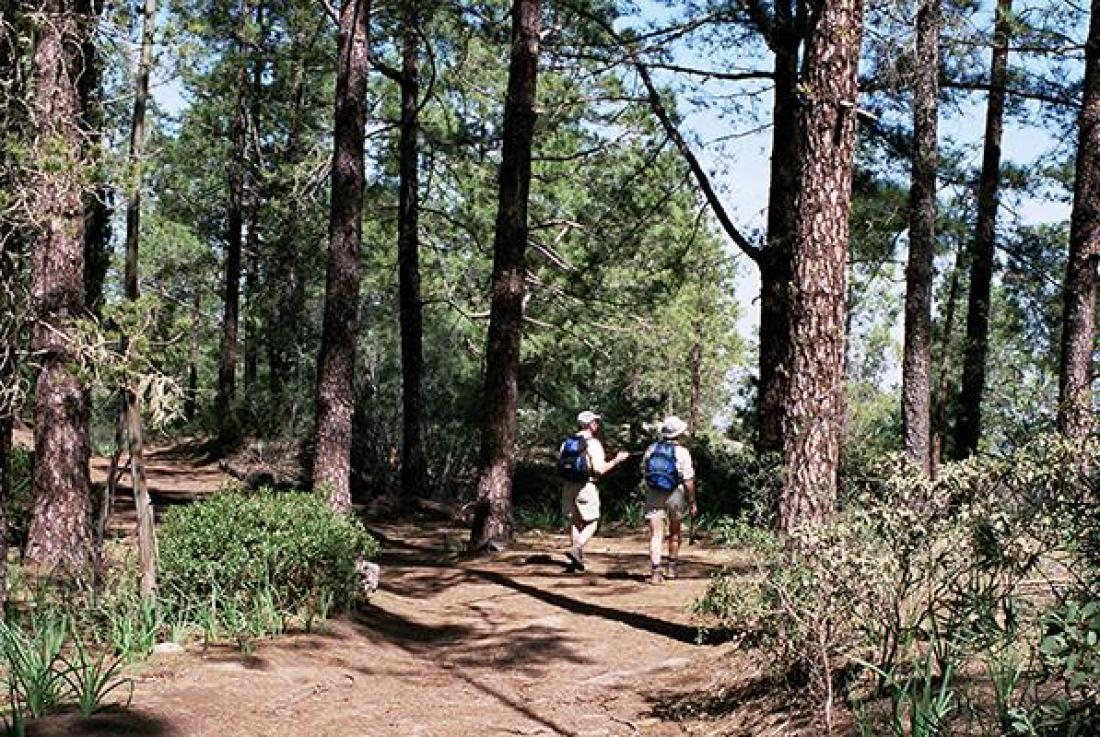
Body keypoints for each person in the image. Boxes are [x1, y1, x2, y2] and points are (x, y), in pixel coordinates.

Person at [560, 410, 628, 572]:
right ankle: (577, 548)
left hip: (568, 486)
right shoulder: (593, 444)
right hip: (586, 486)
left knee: (575, 522)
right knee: (592, 522)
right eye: (595, 422)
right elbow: (599, 470)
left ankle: (575, 563)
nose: (597, 424)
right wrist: (617, 460)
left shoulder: (567, 442)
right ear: (590, 424)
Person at [641, 415, 696, 585]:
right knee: (675, 532)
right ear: (679, 433)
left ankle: (655, 572)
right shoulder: (682, 452)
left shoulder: (651, 449)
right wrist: (692, 501)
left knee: (656, 535)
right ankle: (671, 568)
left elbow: (644, 471)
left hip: (654, 493)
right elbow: (688, 480)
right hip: (675, 493)